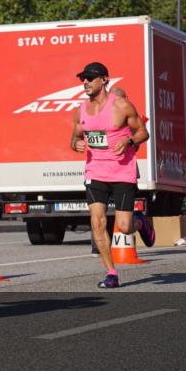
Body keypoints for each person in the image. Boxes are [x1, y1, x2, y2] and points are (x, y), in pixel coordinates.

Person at [70, 62, 152, 289]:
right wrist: (75, 143)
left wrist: (130, 140)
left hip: (122, 171)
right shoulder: (81, 110)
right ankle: (111, 272)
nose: (85, 82)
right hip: (95, 171)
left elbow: (143, 131)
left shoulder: (122, 106)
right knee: (97, 223)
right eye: (82, 78)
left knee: (124, 227)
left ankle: (140, 221)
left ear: (104, 80)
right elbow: (74, 137)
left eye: (90, 77)